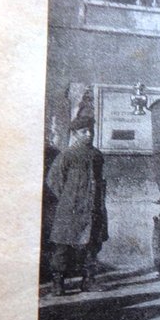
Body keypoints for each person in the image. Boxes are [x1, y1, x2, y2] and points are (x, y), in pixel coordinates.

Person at [45, 115, 108, 295]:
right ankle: (58, 283)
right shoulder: (68, 155)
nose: (89, 134)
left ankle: (88, 281)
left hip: (93, 207)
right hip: (70, 208)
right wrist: (68, 198)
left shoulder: (97, 155)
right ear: (74, 134)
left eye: (91, 131)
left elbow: (99, 180)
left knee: (92, 246)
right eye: (84, 132)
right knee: (62, 246)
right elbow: (53, 180)